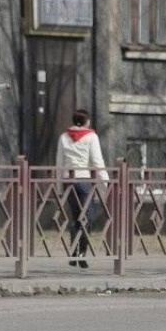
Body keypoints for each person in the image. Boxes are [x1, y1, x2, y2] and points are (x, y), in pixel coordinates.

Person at [56, 108, 109, 268]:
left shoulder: (64, 137)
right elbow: (97, 161)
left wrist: (59, 187)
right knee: (87, 217)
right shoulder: (91, 137)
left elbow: (59, 162)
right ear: (86, 121)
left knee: (74, 218)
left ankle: (73, 253)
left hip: (68, 180)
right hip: (84, 180)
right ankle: (81, 254)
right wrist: (105, 181)